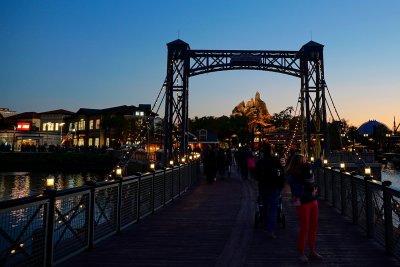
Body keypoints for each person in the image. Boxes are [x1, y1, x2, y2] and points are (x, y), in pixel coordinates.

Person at [286, 154, 323, 263]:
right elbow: (297, 192)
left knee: (313, 228)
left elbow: (314, 167)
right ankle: (301, 253)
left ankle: (312, 251)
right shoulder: (293, 176)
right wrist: (310, 192)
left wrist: (319, 160)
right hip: (303, 203)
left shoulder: (307, 170)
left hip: (313, 201)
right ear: (298, 163)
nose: (306, 162)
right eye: (304, 160)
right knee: (304, 228)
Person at [254, 143, 285, 238]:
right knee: (273, 208)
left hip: (263, 187)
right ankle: (270, 228)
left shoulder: (260, 162)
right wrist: (280, 185)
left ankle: (266, 225)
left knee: (265, 206)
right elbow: (281, 174)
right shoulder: (275, 161)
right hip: (274, 187)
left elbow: (255, 175)